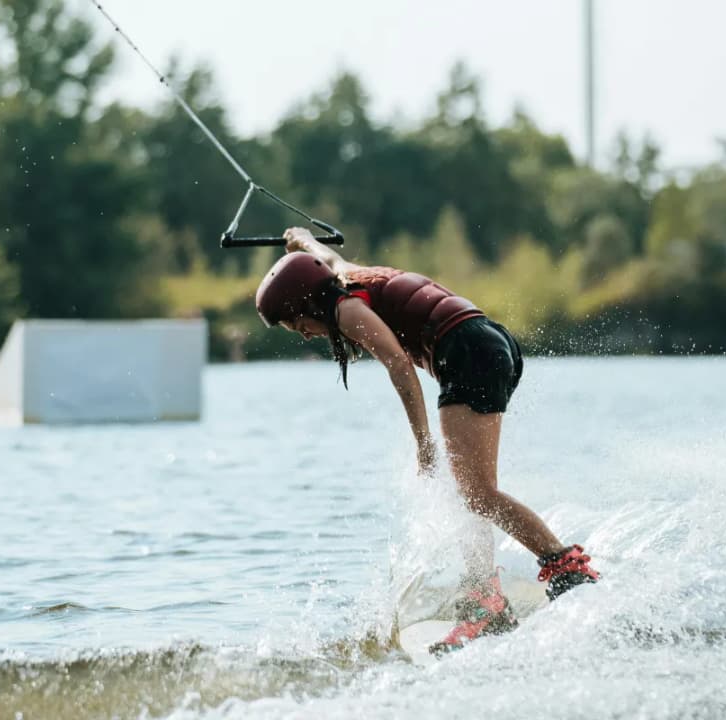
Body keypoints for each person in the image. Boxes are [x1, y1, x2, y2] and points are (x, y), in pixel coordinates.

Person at [255, 227, 600, 652]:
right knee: (472, 492)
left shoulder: (346, 309)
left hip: (467, 352)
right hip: (491, 343)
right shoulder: (345, 276)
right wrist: (303, 239)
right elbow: (323, 255)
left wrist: (423, 442)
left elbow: (400, 365)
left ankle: (561, 569)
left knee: (477, 493)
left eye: (297, 323)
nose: (305, 334)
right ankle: (489, 596)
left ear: (308, 302)